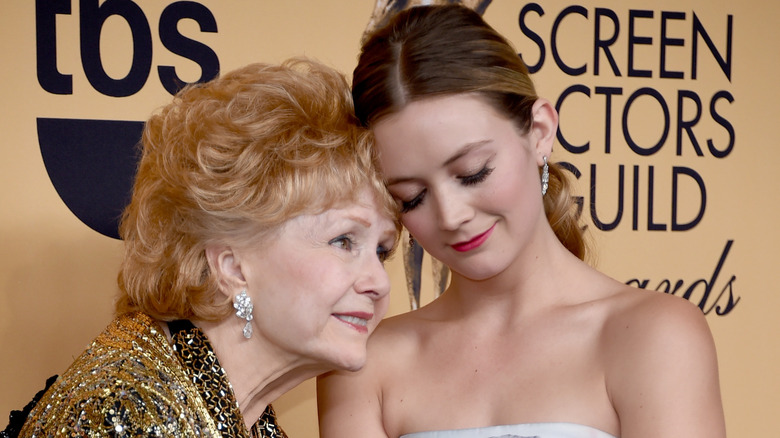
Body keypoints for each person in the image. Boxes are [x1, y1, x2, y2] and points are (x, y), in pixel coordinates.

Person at [317, 5, 726, 438]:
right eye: (412, 198)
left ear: (540, 132)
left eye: (474, 172)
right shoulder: (364, 360)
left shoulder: (653, 336)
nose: (452, 216)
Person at [6, 58, 399, 437]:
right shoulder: (122, 412)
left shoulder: (228, 405)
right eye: (344, 241)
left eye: (381, 251)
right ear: (231, 268)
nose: (379, 282)